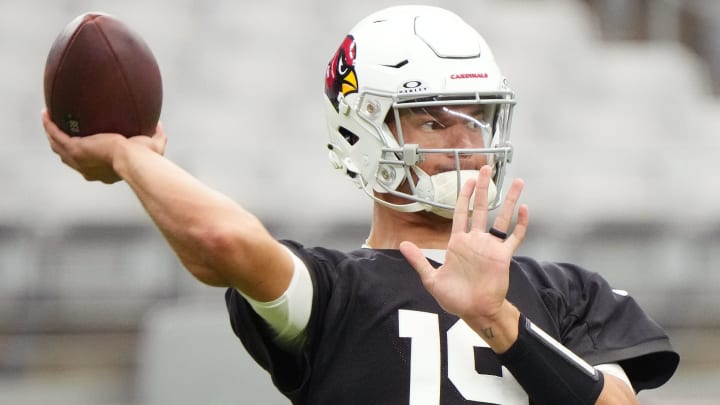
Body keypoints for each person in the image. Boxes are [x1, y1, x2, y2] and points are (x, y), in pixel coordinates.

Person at [43, 5, 678, 405]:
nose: (468, 145)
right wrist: (132, 158)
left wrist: (498, 321)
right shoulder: (331, 294)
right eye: (434, 123)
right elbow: (222, 243)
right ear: (362, 134)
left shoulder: (566, 292)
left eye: (479, 119)